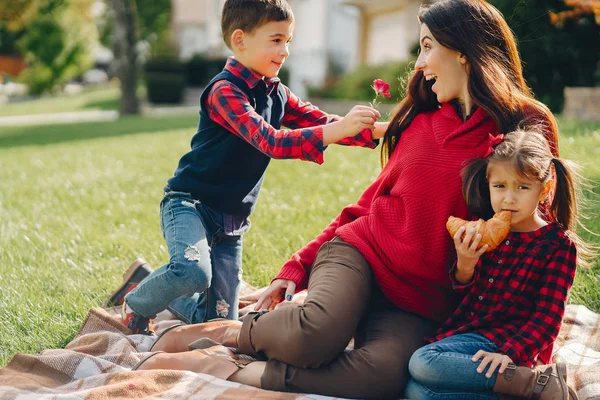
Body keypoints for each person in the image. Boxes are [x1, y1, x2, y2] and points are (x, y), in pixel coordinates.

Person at [130, 1, 562, 398]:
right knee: (312, 337)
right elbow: (370, 202)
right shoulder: (421, 119)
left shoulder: (524, 124)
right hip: (361, 253)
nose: (420, 63)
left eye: (428, 47)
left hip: (421, 297)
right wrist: (298, 266)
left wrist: (502, 321)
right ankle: (232, 333)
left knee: (385, 375)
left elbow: (536, 234)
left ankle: (228, 369)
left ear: (464, 50)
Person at [107, 0, 387, 334]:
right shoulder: (224, 91)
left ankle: (145, 281)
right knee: (194, 272)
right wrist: (337, 129)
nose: (285, 51)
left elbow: (323, 121)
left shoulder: (277, 92)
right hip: (190, 205)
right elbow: (269, 140)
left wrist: (390, 129)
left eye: (288, 41)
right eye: (275, 39)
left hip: (231, 222)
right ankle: (137, 302)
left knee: (219, 325)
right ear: (240, 40)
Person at [405, 129, 593, 399]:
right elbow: (462, 293)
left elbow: (547, 319)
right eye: (500, 186)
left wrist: (510, 352)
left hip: (514, 346)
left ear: (545, 189)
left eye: (522, 187)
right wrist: (466, 264)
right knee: (416, 391)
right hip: (472, 334)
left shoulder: (557, 245)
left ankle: (531, 382)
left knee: (423, 363)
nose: (509, 198)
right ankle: (533, 391)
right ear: (488, 183)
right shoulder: (483, 231)